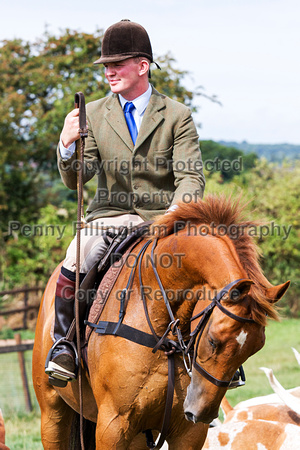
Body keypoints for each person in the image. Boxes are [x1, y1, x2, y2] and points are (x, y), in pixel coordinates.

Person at [45, 19, 205, 385]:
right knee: (76, 257)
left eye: (117, 64)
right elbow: (76, 179)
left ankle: (216, 356)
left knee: (212, 263)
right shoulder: (95, 113)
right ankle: (64, 346)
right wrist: (67, 144)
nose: (109, 72)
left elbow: (190, 177)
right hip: (110, 216)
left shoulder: (177, 115)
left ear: (142, 66)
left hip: (165, 217)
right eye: (106, 66)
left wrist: (174, 215)